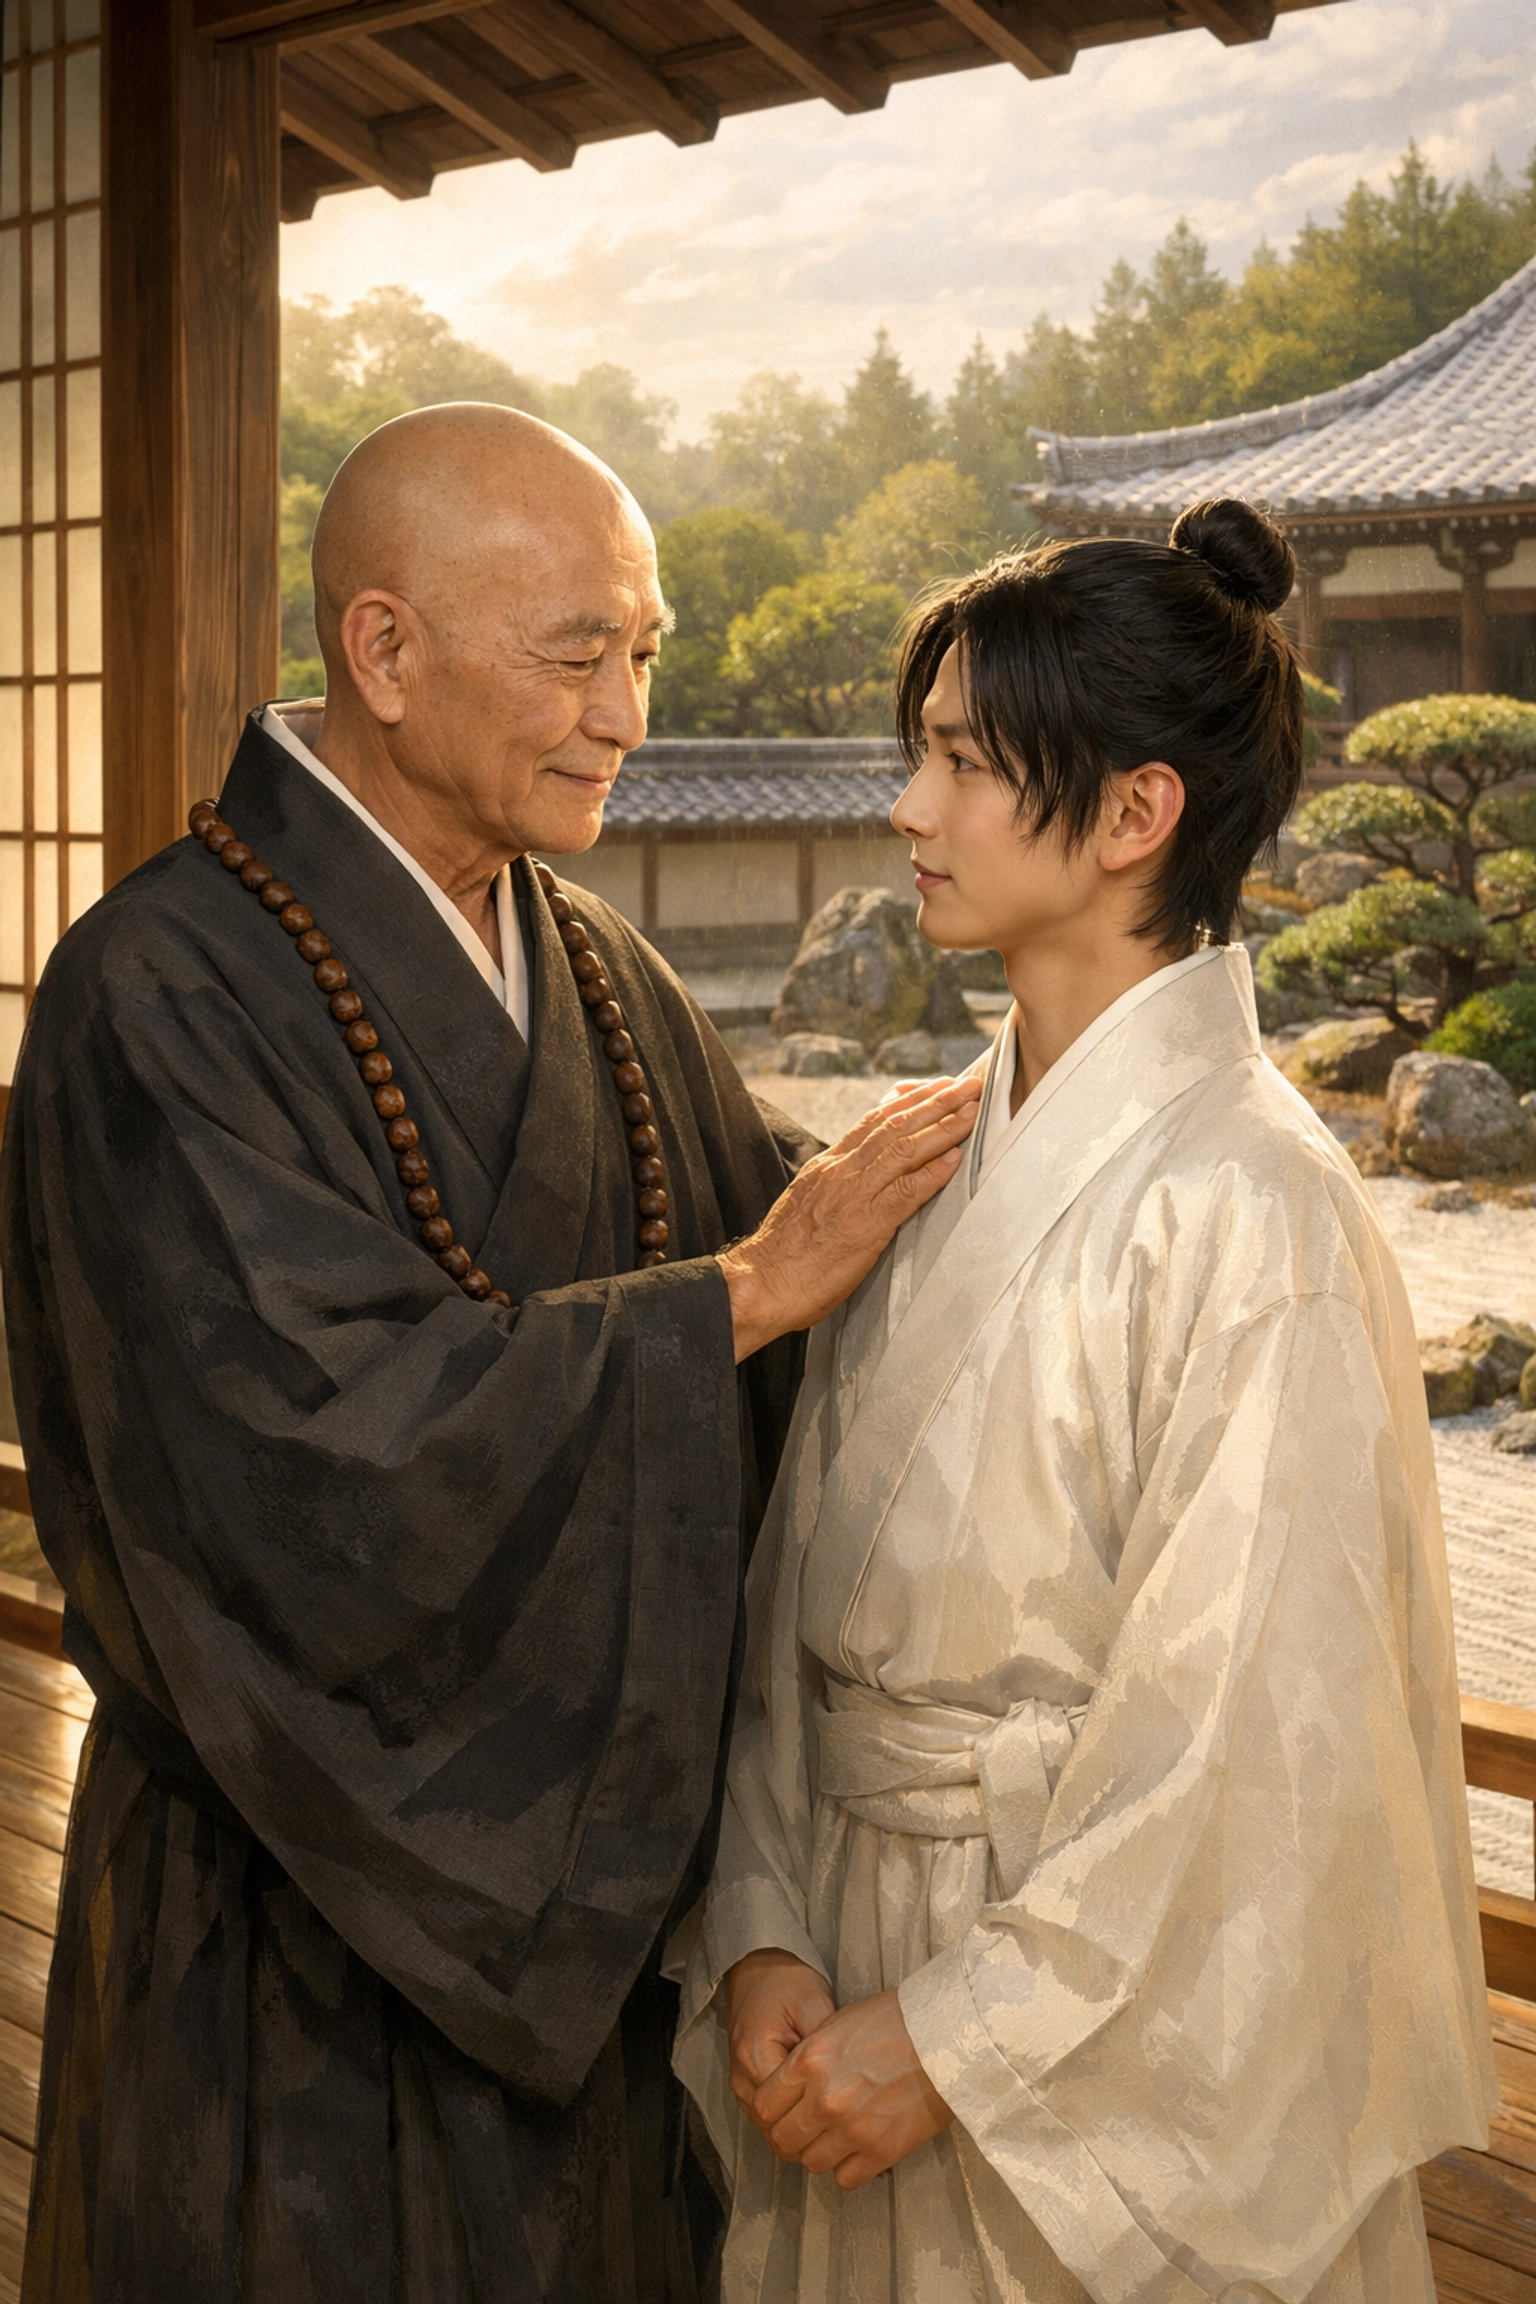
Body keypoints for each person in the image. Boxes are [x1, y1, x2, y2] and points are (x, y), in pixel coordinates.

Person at [0, 403, 981, 2303]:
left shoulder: (593, 966)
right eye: (575, 655)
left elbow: (819, 1262)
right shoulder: (153, 992)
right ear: (384, 650)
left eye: (645, 654)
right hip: (282, 1931)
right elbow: (307, 1454)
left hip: (591, 1936)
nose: (627, 714)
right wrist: (732, 1301)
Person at [673, 497, 1496, 2303]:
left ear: (1135, 815)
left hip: (1058, 2021)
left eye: (965, 764)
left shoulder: (1256, 1204)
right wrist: (765, 1930)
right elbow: (799, 1596)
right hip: (841, 1961)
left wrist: (952, 2042)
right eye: (920, 756)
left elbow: (1255, 1750)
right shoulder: (930, 1155)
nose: (910, 811)